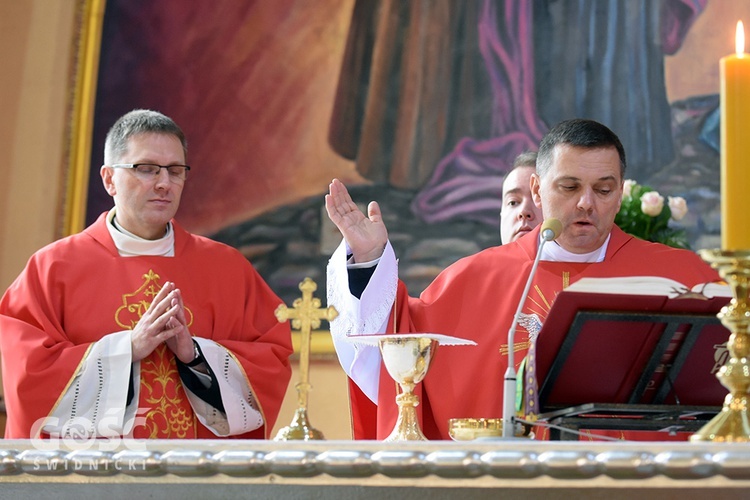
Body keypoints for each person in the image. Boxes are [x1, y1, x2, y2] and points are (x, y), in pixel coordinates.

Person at [324, 118, 721, 440]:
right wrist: (369, 260)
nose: (587, 202)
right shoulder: (473, 280)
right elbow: (398, 344)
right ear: (537, 188)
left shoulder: (681, 276)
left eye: (604, 189)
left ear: (619, 195)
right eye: (569, 187)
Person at [0, 109, 293, 440]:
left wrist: (195, 356)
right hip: (91, 482)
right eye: (147, 169)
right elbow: (28, 377)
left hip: (194, 480)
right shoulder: (52, 268)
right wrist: (127, 349)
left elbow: (269, 362)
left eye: (175, 170)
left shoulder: (227, 268)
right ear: (109, 178)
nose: (164, 183)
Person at [500, 151, 542, 244]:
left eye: (539, 199)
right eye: (513, 202)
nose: (523, 211)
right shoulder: (477, 259)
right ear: (501, 215)